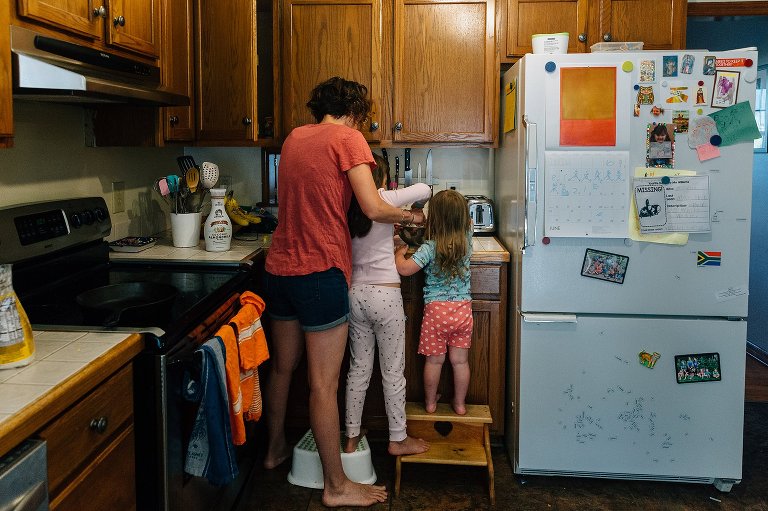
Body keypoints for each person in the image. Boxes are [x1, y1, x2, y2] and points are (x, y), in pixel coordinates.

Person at [262, 76, 424, 507]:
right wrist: (411, 218)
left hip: (279, 268)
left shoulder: (294, 138)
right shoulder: (349, 138)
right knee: (323, 382)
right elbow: (371, 207)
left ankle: (275, 449)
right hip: (319, 272)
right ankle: (336, 486)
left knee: (283, 368)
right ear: (355, 108)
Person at [344, 153, 432, 457]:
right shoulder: (382, 198)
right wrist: (415, 213)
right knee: (392, 371)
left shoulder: (350, 204)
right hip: (385, 297)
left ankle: (351, 437)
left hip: (355, 296)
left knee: (358, 369)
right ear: (380, 180)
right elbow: (424, 189)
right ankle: (398, 438)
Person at [394, 190, 473, 415]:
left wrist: (400, 253)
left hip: (436, 312)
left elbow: (404, 269)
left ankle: (430, 403)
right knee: (460, 363)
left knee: (434, 362)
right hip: (462, 311)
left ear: (434, 218)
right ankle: (459, 404)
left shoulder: (430, 247)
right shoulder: (466, 239)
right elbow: (468, 222)